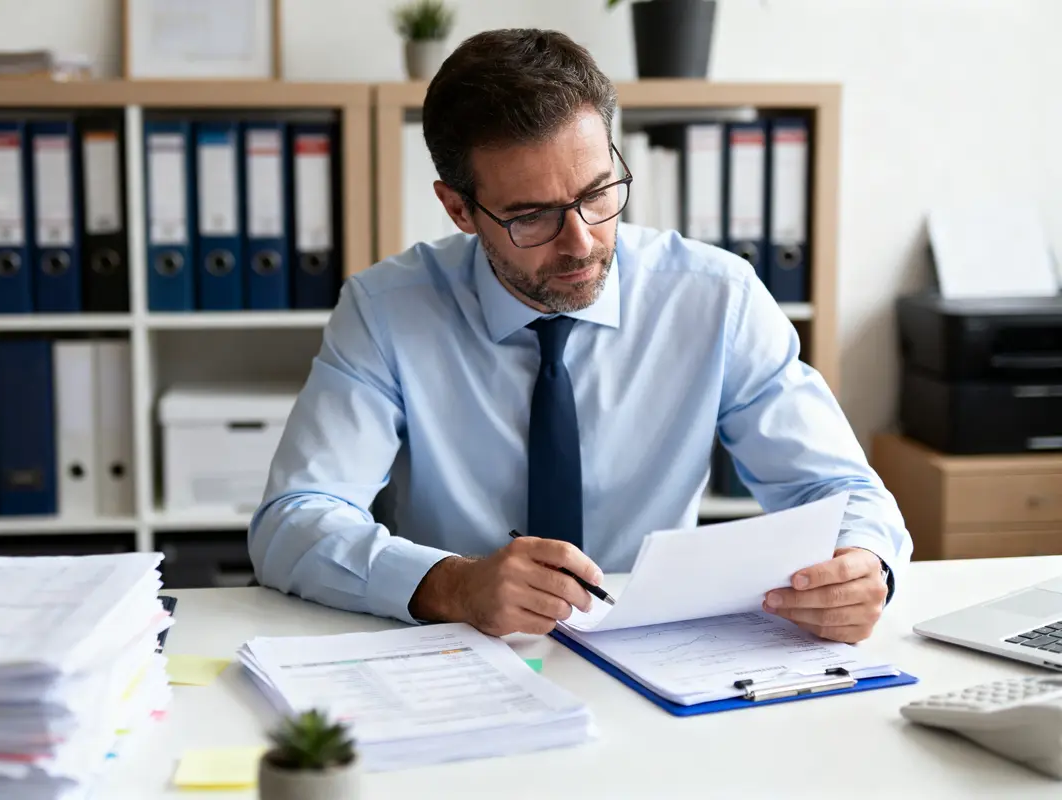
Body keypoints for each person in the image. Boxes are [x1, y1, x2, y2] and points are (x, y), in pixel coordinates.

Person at [248, 28, 912, 645]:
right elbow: (294, 521)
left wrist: (864, 566)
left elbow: (842, 492)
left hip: (658, 653)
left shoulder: (716, 297)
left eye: (598, 193)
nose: (583, 241)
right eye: (530, 215)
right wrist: (452, 584)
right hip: (462, 653)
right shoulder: (387, 310)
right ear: (458, 209)